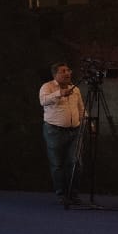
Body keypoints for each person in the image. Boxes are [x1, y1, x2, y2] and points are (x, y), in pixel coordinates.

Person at [38, 61, 85, 204]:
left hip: (75, 131)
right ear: (55, 74)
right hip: (54, 131)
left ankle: (73, 194)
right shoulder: (47, 87)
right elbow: (43, 101)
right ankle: (61, 194)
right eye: (63, 71)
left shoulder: (75, 89)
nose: (67, 73)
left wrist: (87, 122)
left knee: (75, 162)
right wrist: (59, 94)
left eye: (68, 70)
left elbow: (81, 108)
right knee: (57, 164)